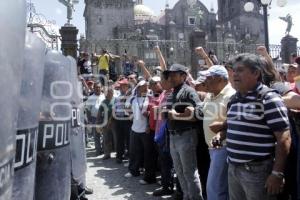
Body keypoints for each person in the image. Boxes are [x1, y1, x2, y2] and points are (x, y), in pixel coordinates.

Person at [224, 53, 291, 200]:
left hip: (257, 171)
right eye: (234, 70)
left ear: (255, 73)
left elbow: (284, 138)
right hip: (233, 168)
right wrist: (221, 135)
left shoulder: (268, 98)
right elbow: (233, 126)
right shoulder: (234, 99)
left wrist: (277, 173)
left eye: (240, 70)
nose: (235, 74)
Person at [163, 64, 204, 200]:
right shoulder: (172, 92)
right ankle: (187, 196)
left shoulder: (189, 91)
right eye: (170, 75)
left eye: (175, 75)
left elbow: (199, 112)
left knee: (189, 172)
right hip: (174, 135)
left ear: (183, 76)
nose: (171, 78)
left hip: (186, 135)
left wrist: (176, 115)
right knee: (180, 172)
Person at [200, 65, 236, 200]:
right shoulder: (210, 95)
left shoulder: (231, 96)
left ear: (221, 79)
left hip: (223, 147)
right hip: (212, 148)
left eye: (208, 78)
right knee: (221, 187)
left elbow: (237, 122)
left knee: (215, 188)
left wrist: (222, 129)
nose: (205, 82)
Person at [124, 80, 157, 185]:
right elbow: (127, 110)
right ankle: (133, 171)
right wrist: (130, 115)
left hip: (146, 130)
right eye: (143, 86)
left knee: (148, 154)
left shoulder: (150, 98)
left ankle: (148, 175)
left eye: (147, 86)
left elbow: (153, 114)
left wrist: (148, 124)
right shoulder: (133, 98)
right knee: (134, 152)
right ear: (138, 88)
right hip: (134, 129)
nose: (146, 88)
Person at [112, 78, 132, 163]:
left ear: (127, 86)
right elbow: (114, 109)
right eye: (120, 85)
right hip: (118, 120)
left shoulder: (131, 96)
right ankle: (119, 156)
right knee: (119, 139)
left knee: (128, 139)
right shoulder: (117, 97)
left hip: (127, 120)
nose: (121, 87)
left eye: (123, 85)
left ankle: (129, 156)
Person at [85, 83, 105, 156]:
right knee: (96, 135)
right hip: (94, 118)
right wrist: (89, 120)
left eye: (99, 87)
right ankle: (98, 150)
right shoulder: (91, 98)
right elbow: (87, 109)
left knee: (104, 135)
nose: (98, 89)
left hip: (103, 118)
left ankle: (103, 149)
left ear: (101, 88)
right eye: (96, 87)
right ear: (94, 88)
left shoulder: (104, 96)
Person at [97, 87, 115, 160]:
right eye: (108, 93)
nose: (109, 94)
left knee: (116, 139)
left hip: (115, 123)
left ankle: (118, 154)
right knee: (106, 139)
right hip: (105, 123)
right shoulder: (103, 102)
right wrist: (99, 123)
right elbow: (99, 113)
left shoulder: (115, 100)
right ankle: (107, 154)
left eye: (111, 92)